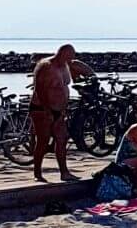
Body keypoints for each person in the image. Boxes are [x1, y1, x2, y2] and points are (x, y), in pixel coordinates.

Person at [30, 44, 94, 182]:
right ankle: (37, 173)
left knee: (62, 139)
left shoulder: (65, 66)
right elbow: (39, 90)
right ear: (62, 54)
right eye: (70, 56)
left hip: (59, 110)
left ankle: (64, 172)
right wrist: (47, 111)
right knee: (43, 140)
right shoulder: (46, 66)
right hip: (42, 109)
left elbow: (70, 81)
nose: (71, 60)